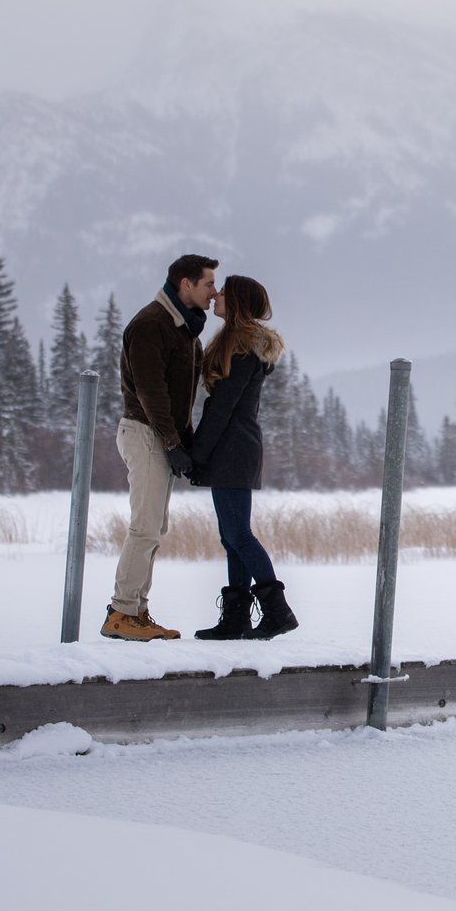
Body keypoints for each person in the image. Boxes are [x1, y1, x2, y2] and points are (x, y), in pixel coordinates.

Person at [101, 252, 219, 642]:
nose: (213, 291)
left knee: (155, 527)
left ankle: (136, 610)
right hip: (145, 432)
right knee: (145, 527)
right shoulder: (151, 324)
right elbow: (151, 393)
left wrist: (185, 442)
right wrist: (172, 442)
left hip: (159, 434)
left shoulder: (184, 330)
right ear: (186, 284)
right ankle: (121, 612)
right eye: (207, 284)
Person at [186, 274, 299, 640]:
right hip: (233, 449)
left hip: (233, 450)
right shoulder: (236, 344)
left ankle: (277, 611)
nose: (215, 295)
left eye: (223, 292)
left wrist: (195, 454)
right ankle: (236, 618)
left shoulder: (242, 348)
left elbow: (222, 409)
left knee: (238, 534)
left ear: (236, 303)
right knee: (231, 536)